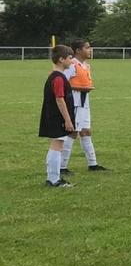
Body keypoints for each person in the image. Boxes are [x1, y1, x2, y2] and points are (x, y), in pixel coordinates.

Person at [61, 38, 108, 173]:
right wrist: (80, 88)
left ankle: (93, 164)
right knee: (72, 132)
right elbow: (61, 83)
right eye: (87, 48)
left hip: (84, 102)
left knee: (86, 131)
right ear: (78, 50)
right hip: (74, 103)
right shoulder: (72, 65)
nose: (90, 50)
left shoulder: (86, 65)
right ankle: (62, 167)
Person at [40, 44, 77, 187]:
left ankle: (52, 177)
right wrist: (68, 120)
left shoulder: (55, 76)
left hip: (53, 116)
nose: (72, 61)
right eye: (70, 58)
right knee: (57, 146)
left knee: (56, 146)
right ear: (61, 59)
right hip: (57, 118)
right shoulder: (58, 78)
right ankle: (54, 179)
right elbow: (59, 99)